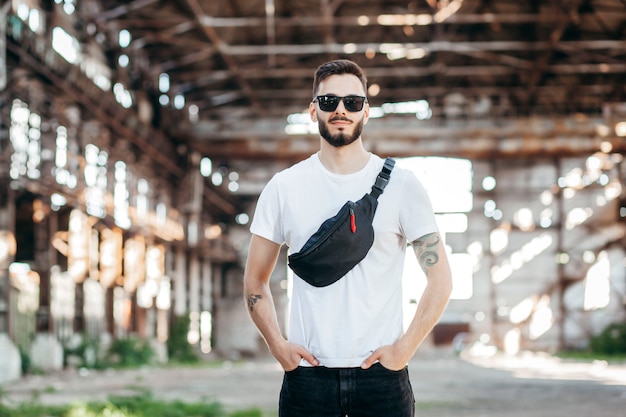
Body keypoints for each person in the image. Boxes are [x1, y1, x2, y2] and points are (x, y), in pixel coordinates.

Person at [243, 59, 453, 417]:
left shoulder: (403, 186)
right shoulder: (284, 187)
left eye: (352, 102)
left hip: (381, 380)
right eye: (329, 102)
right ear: (313, 111)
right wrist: (278, 347)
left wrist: (404, 350)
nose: (341, 110)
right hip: (308, 381)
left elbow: (441, 279)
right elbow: (255, 281)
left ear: (366, 112)